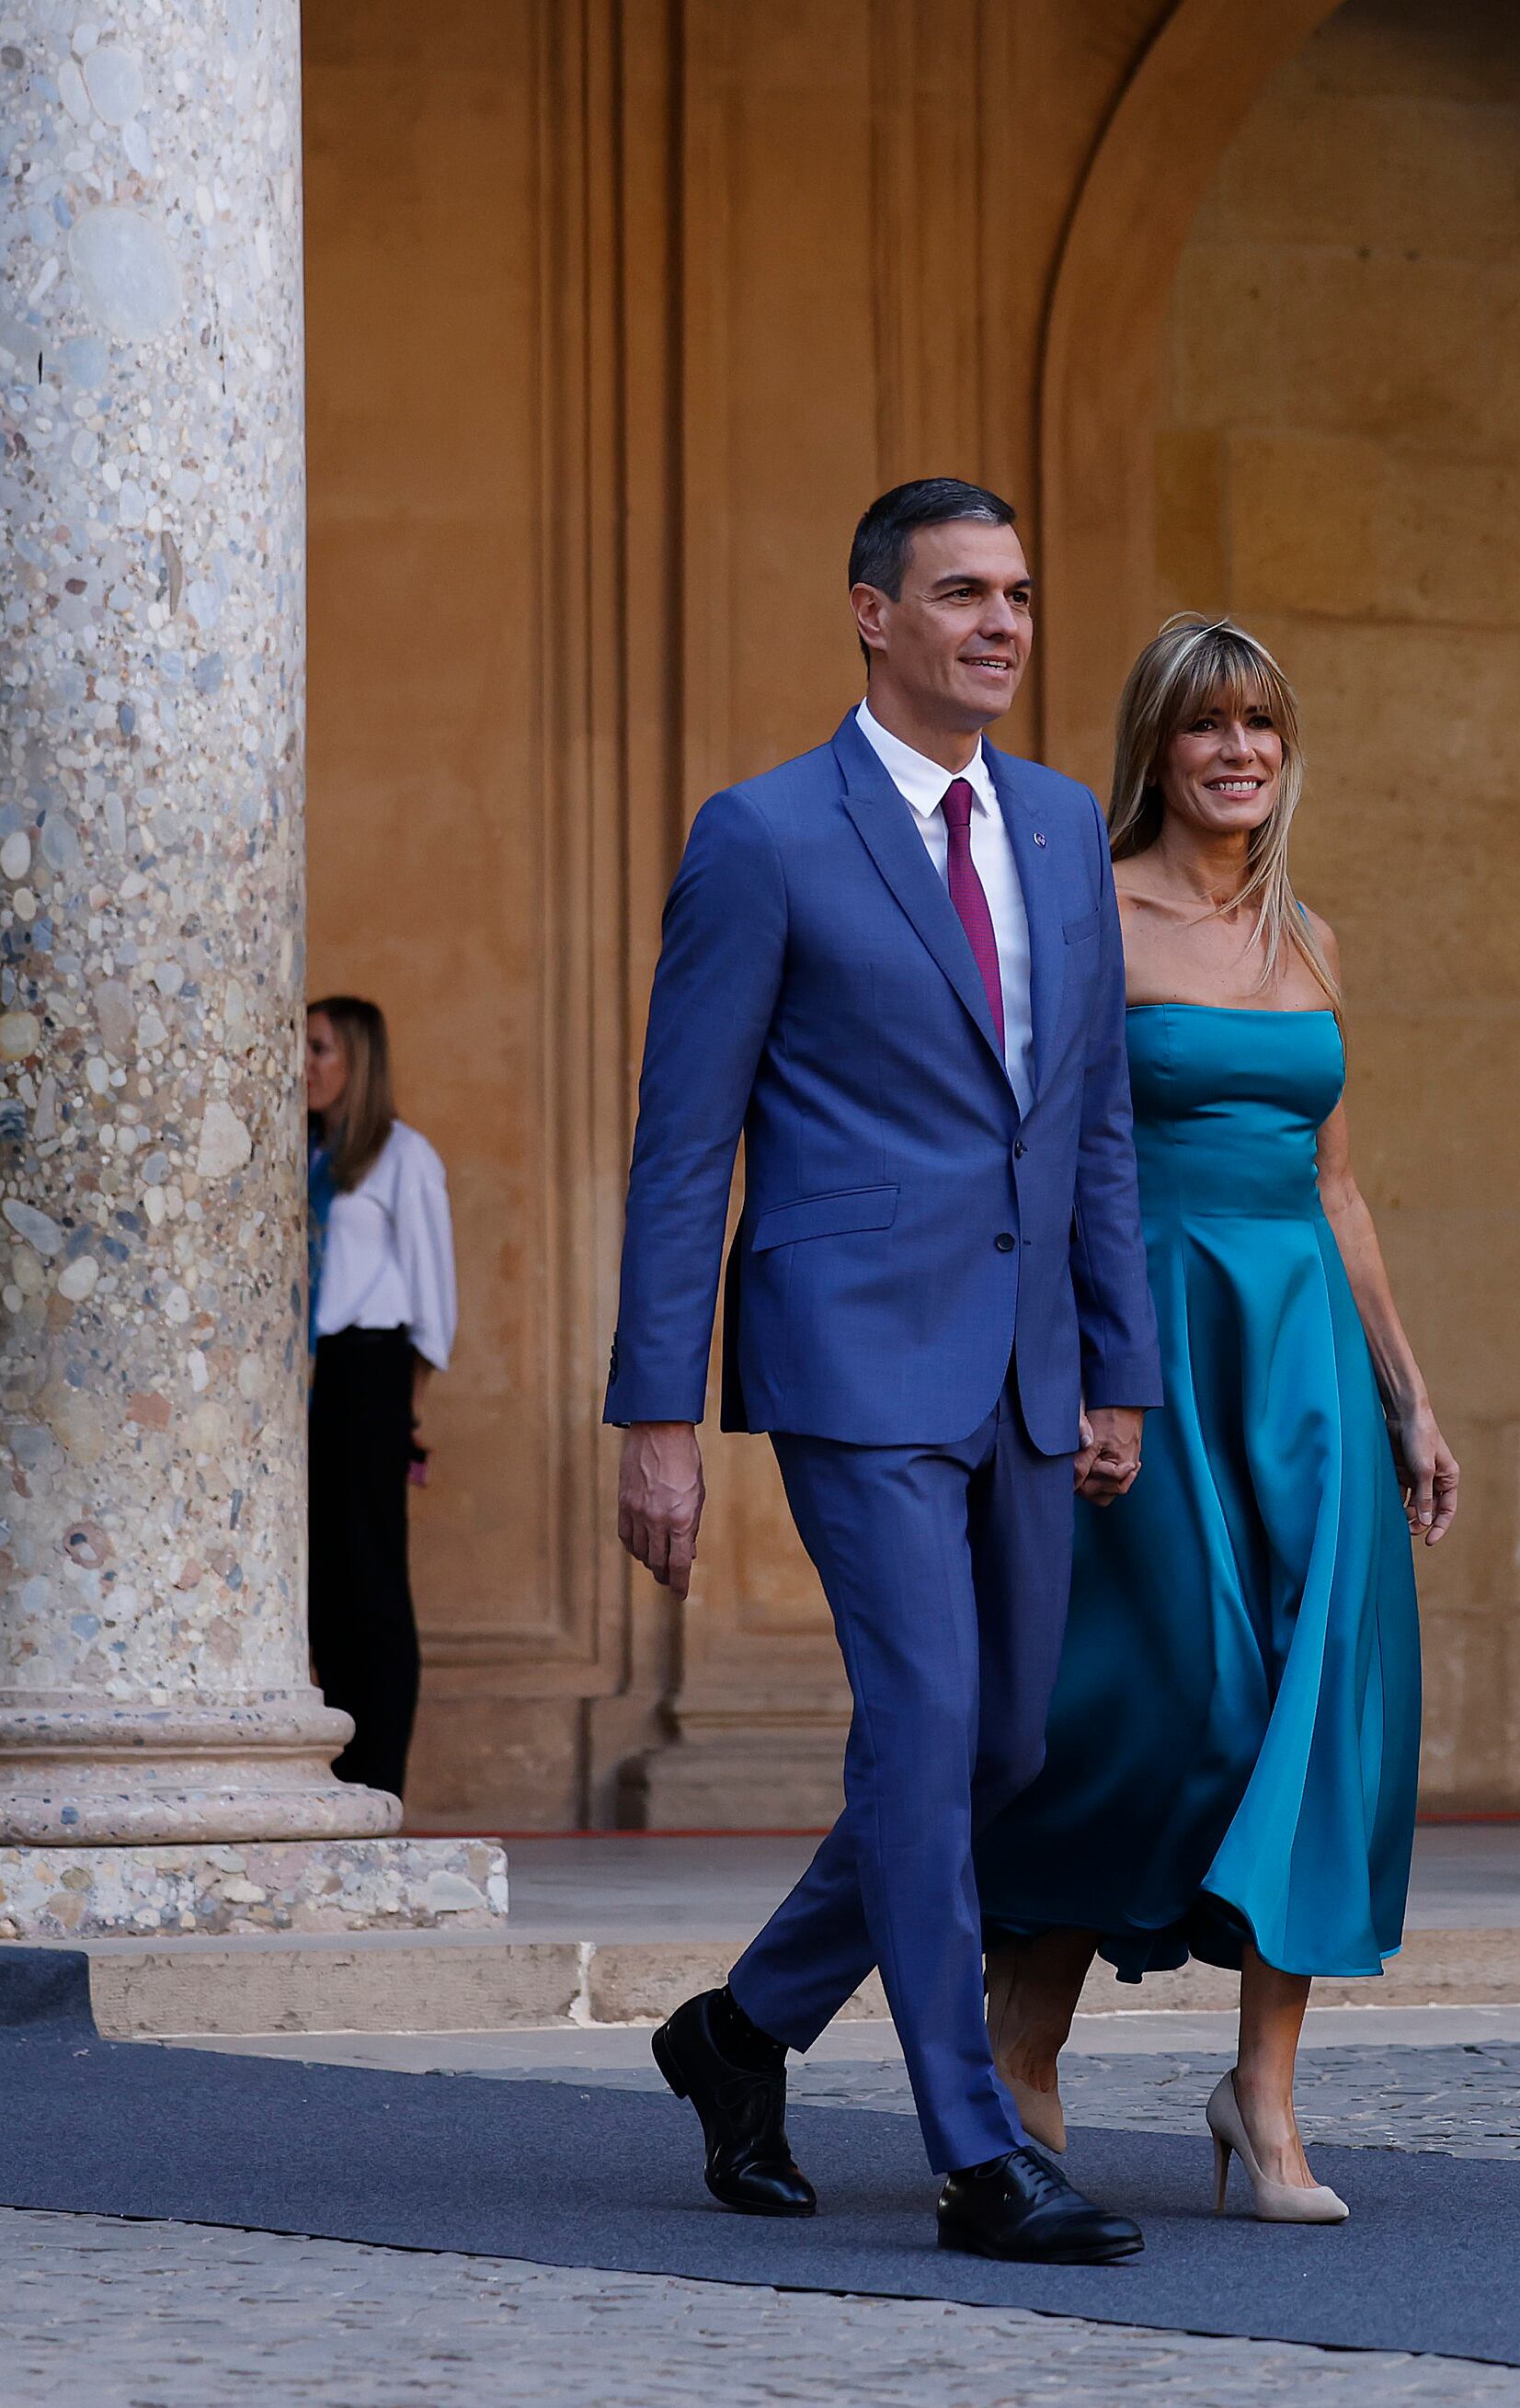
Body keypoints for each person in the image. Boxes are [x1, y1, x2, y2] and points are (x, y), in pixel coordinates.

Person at [603, 477, 1160, 2265]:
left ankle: (741, 2027)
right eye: (958, 594)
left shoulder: (1068, 830)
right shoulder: (764, 836)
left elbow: (1094, 1127)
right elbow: (684, 1144)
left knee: (998, 1743)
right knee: (923, 1725)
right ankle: (975, 2146)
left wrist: (1118, 1365)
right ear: (871, 612)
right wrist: (654, 1414)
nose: (999, 623)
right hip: (848, 1350)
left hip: (1029, 1362)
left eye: (1015, 595)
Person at [974, 614, 1458, 2225]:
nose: (1237, 750)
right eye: (1205, 725)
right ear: (1157, 747)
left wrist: (1406, 1389)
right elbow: (1040, 1163)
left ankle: (1261, 2089)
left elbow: (1335, 1183)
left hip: (1301, 1352)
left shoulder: (1311, 935)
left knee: (1319, 1706)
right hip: (1150, 1340)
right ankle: (1022, 2041)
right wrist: (1064, 1369)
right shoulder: (1083, 913)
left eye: (1261, 723)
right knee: (1147, 1692)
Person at [305, 996, 452, 1801]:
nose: (304, 1065)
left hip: (372, 1372)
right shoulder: (306, 1157)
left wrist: (407, 1409)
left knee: (371, 1581)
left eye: (320, 1048)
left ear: (357, 1060)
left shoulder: (403, 1156)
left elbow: (434, 1301)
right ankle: (334, 1769)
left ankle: (380, 1775)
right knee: (320, 1584)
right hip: (311, 1377)